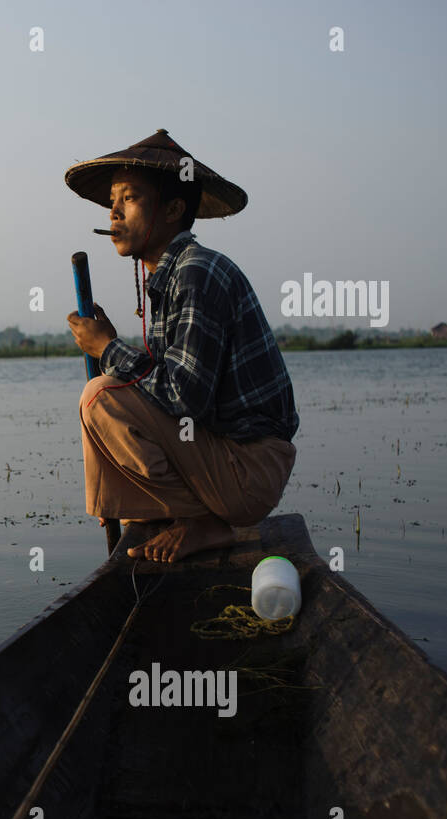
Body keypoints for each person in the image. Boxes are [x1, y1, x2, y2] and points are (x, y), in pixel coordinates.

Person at [64, 130, 299, 563]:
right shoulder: (169, 278)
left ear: (172, 210)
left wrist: (108, 347)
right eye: (112, 200)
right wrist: (113, 354)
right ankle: (152, 511)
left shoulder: (196, 272)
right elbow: (169, 395)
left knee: (99, 395)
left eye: (129, 198)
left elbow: (184, 397)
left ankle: (205, 522)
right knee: (113, 384)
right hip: (226, 460)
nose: (113, 211)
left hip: (247, 471)